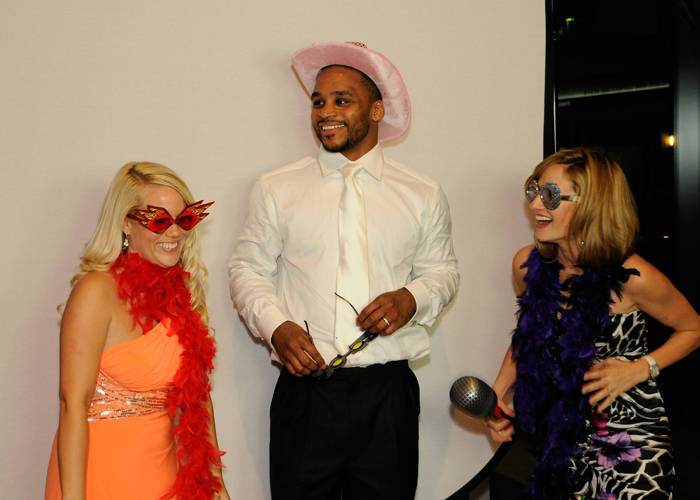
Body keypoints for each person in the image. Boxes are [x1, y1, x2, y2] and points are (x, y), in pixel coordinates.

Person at [229, 41, 459, 500]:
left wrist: (411, 299)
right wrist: (277, 329)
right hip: (306, 397)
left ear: (376, 112)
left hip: (387, 396)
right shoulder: (276, 188)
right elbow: (247, 269)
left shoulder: (422, 193)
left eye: (341, 100)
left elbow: (443, 272)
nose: (325, 112)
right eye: (318, 101)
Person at [486, 149, 700, 499]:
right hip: (561, 440)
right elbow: (528, 335)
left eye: (551, 196)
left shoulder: (632, 276)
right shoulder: (528, 264)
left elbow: (693, 329)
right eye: (533, 191)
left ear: (591, 204)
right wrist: (500, 392)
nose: (537, 205)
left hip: (630, 438)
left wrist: (639, 369)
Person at [44, 162, 230, 500]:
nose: (174, 233)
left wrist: (216, 488)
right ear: (126, 223)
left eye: (184, 220)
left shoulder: (180, 293)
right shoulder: (96, 291)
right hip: (101, 473)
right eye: (159, 221)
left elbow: (196, 399)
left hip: (165, 476)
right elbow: (73, 404)